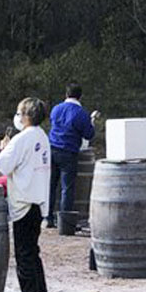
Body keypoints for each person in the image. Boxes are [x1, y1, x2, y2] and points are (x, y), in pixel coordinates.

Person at [0, 98, 51, 292]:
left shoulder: (22, 139)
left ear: (26, 116)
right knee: (33, 253)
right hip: (38, 202)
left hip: (24, 202)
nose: (17, 117)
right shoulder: (41, 136)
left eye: (19, 113)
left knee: (24, 257)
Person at [46, 82, 98, 231]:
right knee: (67, 188)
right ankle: (65, 222)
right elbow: (89, 134)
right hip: (68, 151)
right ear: (80, 96)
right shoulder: (80, 113)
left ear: (66, 94)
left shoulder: (56, 109)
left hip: (52, 148)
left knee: (51, 185)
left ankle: (48, 217)